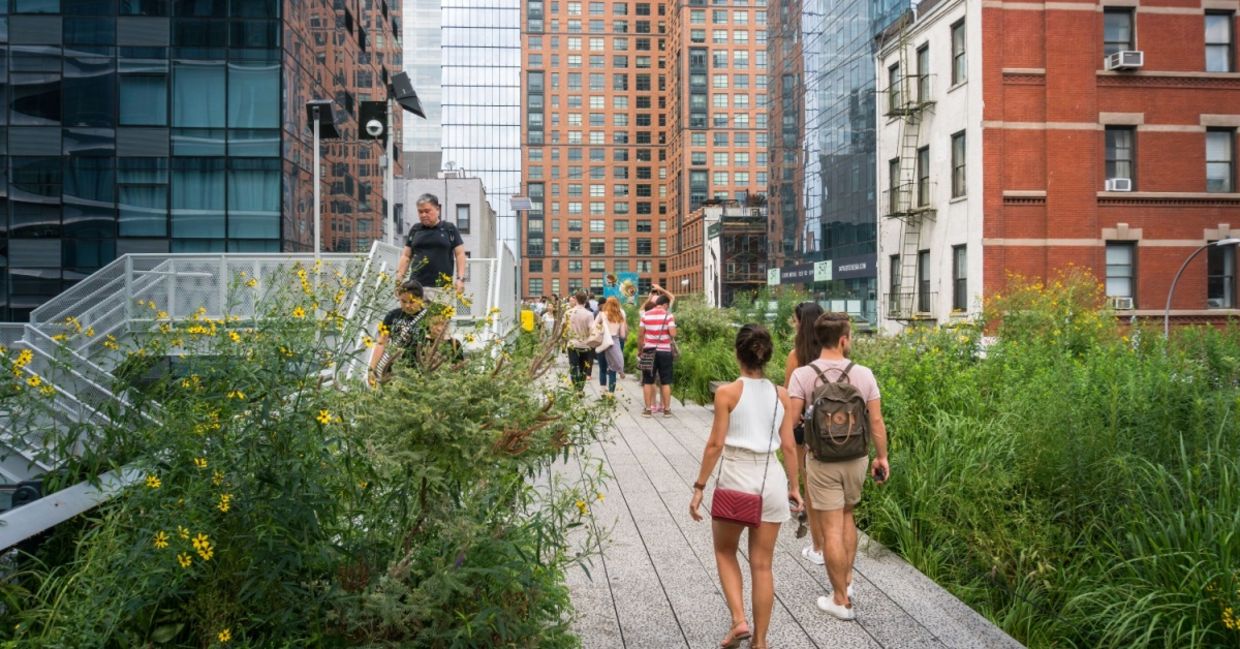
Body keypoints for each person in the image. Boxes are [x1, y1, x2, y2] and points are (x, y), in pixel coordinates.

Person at [689, 325, 803, 649]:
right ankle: (761, 642)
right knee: (763, 564)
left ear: (737, 353)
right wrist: (795, 487)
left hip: (736, 478)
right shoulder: (781, 394)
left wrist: (699, 486)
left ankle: (739, 621)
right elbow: (789, 446)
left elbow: (715, 444)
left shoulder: (727, 393)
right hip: (771, 478)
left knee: (725, 551)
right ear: (767, 356)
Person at [783, 312, 890, 621]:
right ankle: (848, 581)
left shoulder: (803, 375)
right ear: (843, 340)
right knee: (847, 517)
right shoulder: (864, 374)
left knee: (830, 527)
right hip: (857, 458)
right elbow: (876, 421)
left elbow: (791, 422)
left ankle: (840, 599)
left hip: (821, 461)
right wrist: (882, 457)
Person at [784, 301, 826, 567]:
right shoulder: (832, 353)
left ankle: (818, 546)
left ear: (802, 324)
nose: (793, 324)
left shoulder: (796, 356)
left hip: (805, 430)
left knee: (810, 485)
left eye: (795, 320)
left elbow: (790, 397)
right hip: (833, 431)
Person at [395, 193, 467, 298]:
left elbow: (460, 254)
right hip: (416, 287)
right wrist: (399, 279)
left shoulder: (449, 229)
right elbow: (406, 256)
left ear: (437, 209)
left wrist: (460, 279)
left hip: (442, 288)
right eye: (420, 212)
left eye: (427, 211)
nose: (423, 215)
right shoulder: (415, 229)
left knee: (440, 310)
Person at [369, 280, 429, 385]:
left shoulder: (428, 318)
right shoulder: (392, 315)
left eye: (412, 302)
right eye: (403, 302)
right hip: (391, 368)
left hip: (415, 371)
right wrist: (372, 369)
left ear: (420, 299)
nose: (407, 306)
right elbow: (381, 343)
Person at [638, 293, 676, 417]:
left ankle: (648, 410)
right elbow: (673, 333)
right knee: (665, 382)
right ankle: (667, 410)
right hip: (665, 351)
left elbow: (641, 335)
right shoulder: (668, 315)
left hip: (648, 350)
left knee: (648, 381)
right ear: (665, 304)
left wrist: (640, 350)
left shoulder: (645, 315)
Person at [594, 296, 627, 393]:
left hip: (602, 342)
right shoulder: (620, 316)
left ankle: (603, 390)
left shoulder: (601, 314)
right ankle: (611, 394)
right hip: (614, 343)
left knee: (602, 368)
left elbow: (593, 327)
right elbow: (622, 335)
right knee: (612, 370)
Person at [565, 292, 596, 392]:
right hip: (585, 345)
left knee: (573, 366)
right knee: (584, 368)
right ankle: (580, 389)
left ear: (576, 300)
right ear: (585, 300)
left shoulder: (568, 313)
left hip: (572, 344)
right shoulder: (589, 314)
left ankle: (575, 388)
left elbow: (563, 328)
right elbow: (592, 330)